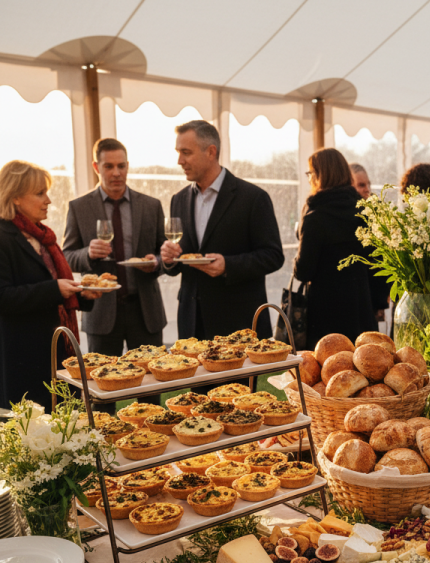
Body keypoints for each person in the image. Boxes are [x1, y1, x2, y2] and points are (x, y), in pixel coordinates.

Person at [160, 120, 284, 339]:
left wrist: (228, 265)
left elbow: (273, 256)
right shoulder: (178, 200)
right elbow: (179, 262)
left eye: (186, 153)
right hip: (191, 325)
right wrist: (169, 259)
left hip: (238, 324)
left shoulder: (253, 198)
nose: (180, 161)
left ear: (211, 152)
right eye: (178, 152)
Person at [0, 161, 100, 409]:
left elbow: (51, 286)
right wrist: (55, 290)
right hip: (23, 357)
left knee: (66, 425)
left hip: (56, 350)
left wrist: (83, 294)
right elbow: (3, 297)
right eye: (40, 193)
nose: (48, 200)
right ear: (15, 198)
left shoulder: (42, 236)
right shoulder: (3, 237)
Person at [63, 138, 166, 355]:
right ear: (96, 167)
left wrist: (156, 262)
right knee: (105, 383)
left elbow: (164, 253)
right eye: (108, 166)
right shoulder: (79, 207)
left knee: (150, 384)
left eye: (121, 166)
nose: (116, 172)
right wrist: (88, 254)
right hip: (101, 314)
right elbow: (67, 256)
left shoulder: (151, 206)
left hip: (145, 310)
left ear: (127, 166)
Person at [293, 148, 377, 348]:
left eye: (310, 174)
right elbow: (376, 262)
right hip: (361, 307)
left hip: (325, 313)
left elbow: (304, 271)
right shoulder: (364, 211)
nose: (309, 179)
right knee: (364, 366)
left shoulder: (315, 216)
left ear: (320, 176)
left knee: (329, 371)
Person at [350, 163, 389, 323]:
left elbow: (381, 259)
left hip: (373, 295)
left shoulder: (376, 211)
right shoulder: (349, 215)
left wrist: (381, 302)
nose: (367, 189)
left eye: (368, 184)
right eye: (360, 185)